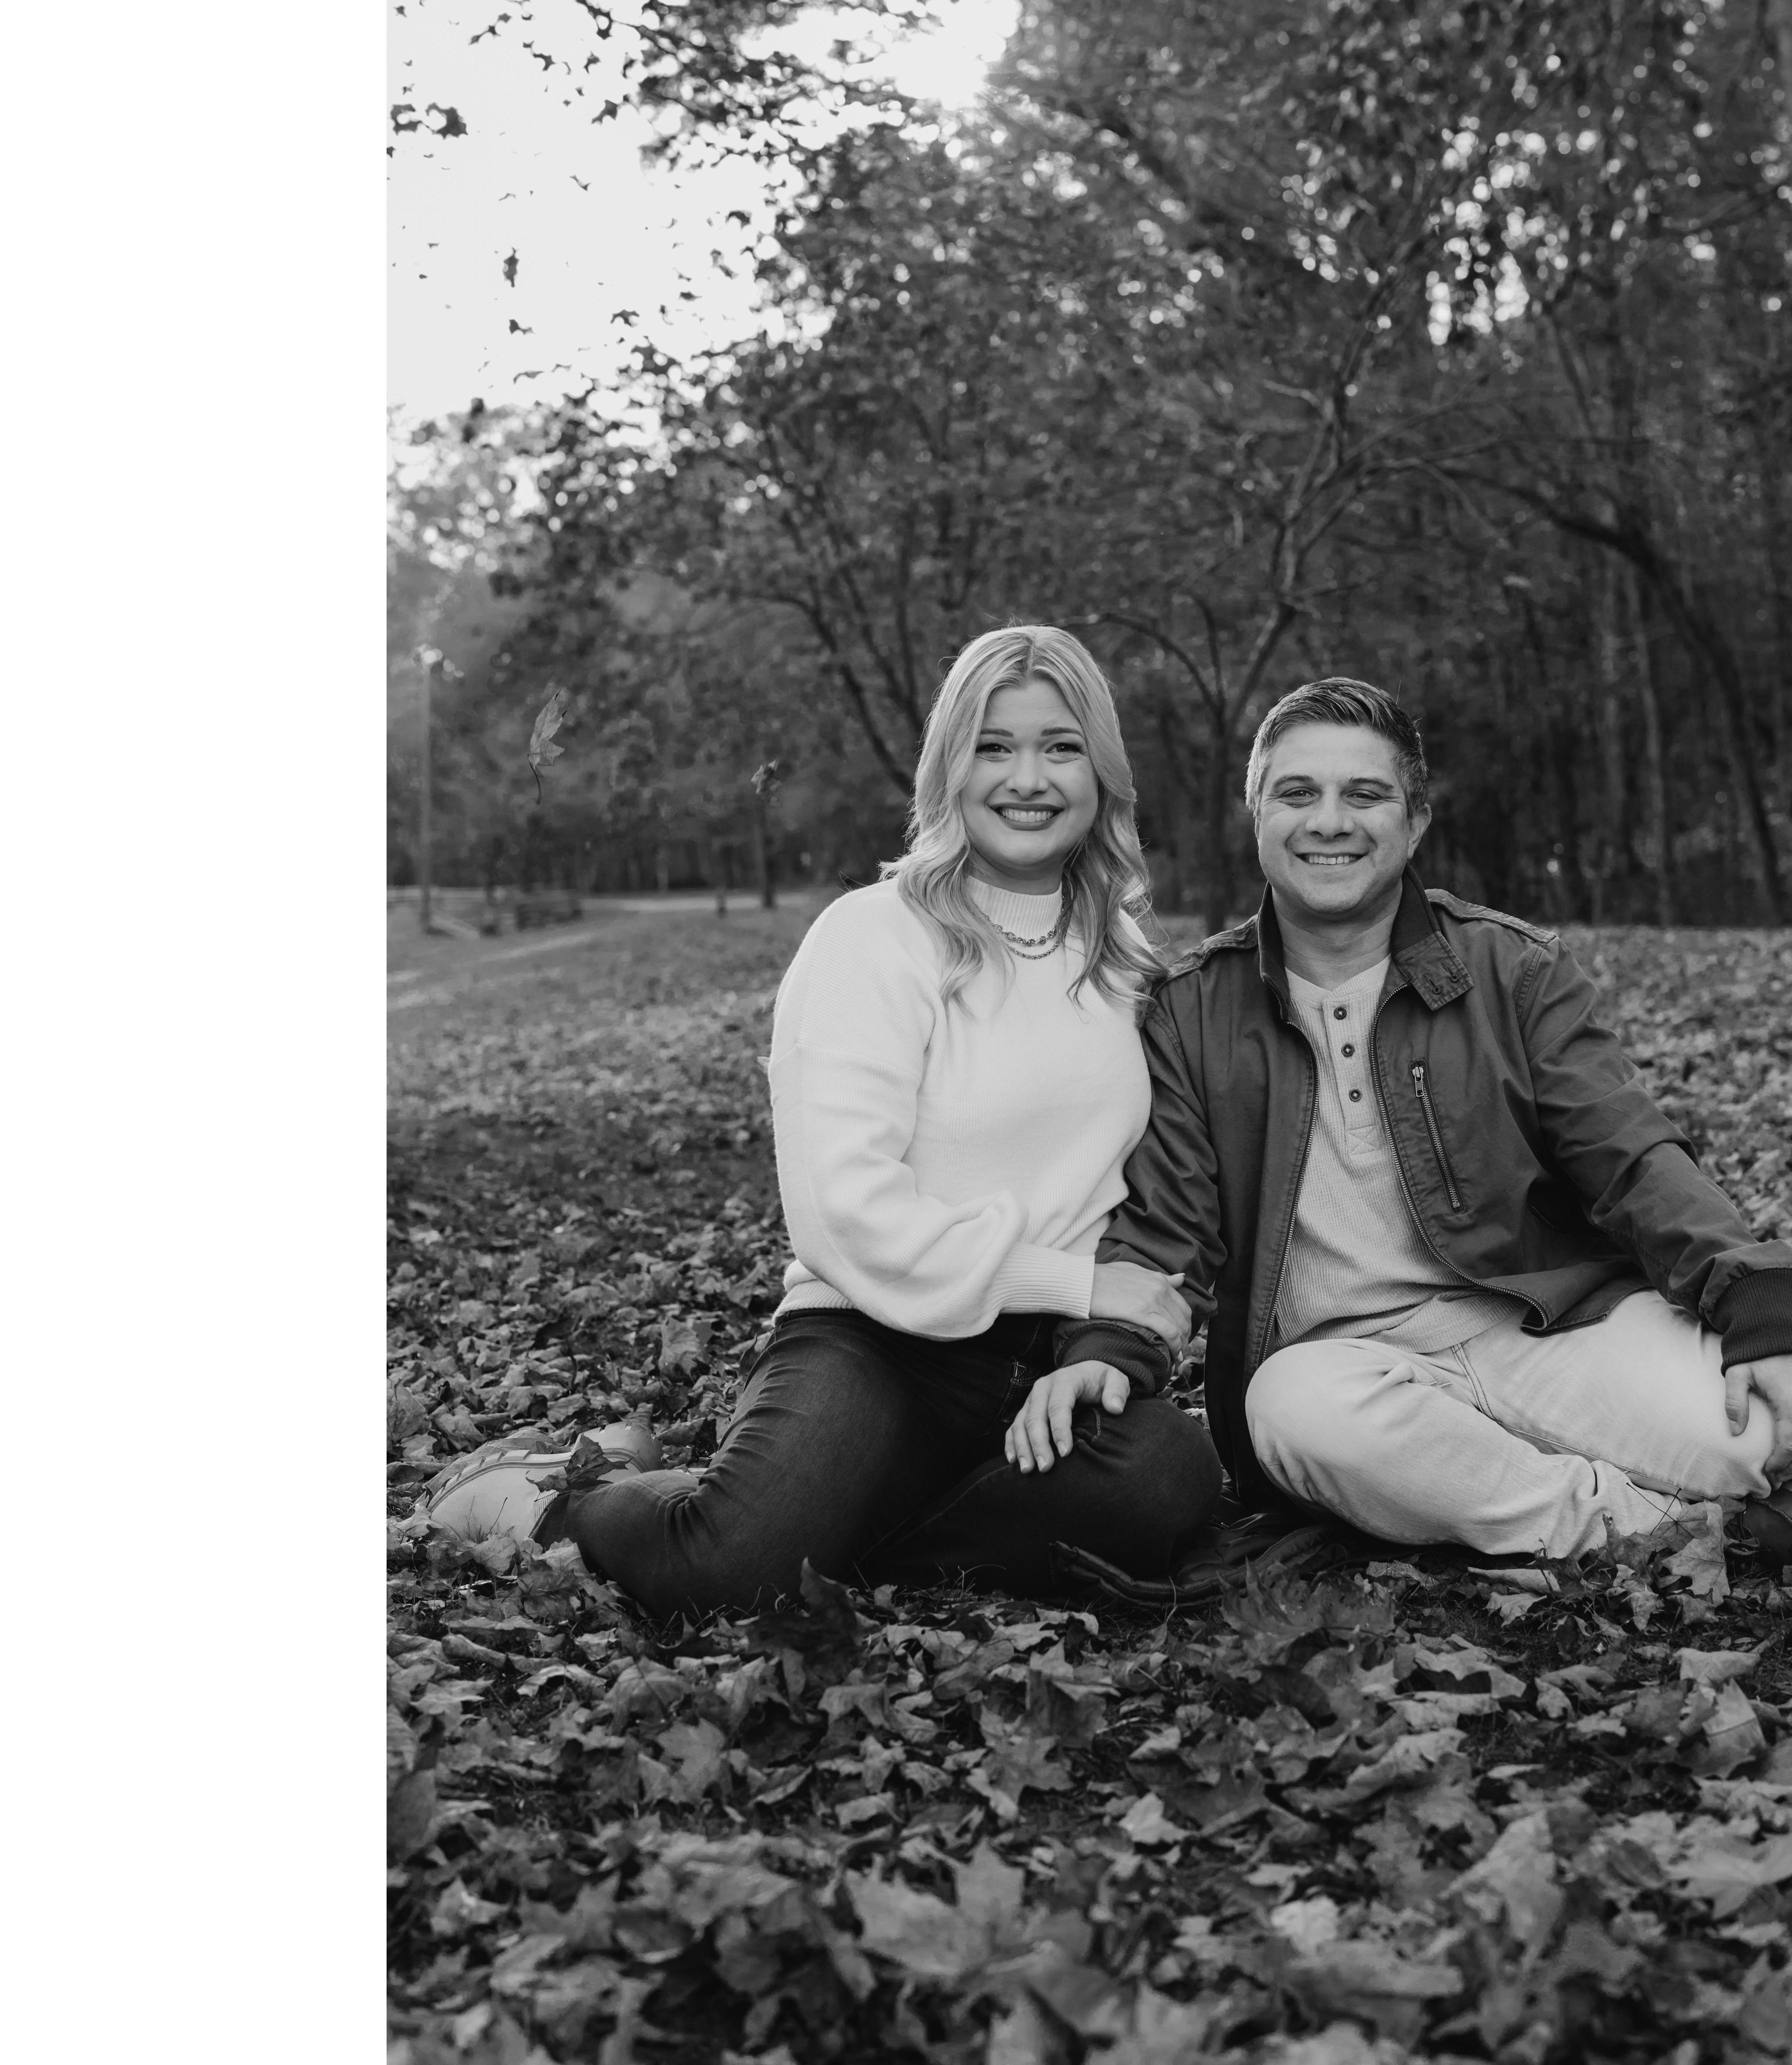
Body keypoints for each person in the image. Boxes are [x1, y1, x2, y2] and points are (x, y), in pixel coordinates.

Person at [1005, 676, 1792, 1581]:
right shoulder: (1191, 1009)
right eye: (1297, 793)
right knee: (1285, 1410)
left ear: (1414, 822)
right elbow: (1166, 1228)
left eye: (1364, 794)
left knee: (1760, 1427)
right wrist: (1108, 1349)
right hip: (1347, 1370)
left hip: (1547, 1326)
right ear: (1257, 817)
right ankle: (1667, 1534)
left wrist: (1761, 1310)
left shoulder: (1509, 969)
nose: (1329, 821)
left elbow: (1634, 1160)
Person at [421, 626, 1222, 1618]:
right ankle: (560, 1495)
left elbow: (1149, 1189)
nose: (1028, 778)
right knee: (728, 1571)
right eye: (993, 746)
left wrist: (1100, 1336)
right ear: (949, 765)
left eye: (1060, 746)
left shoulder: (1126, 958)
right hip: (876, 1339)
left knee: (1166, 1478)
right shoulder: (873, 936)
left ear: (1100, 769)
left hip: (1046, 1357)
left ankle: (843, 1531)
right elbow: (845, 1213)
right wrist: (1077, 1281)